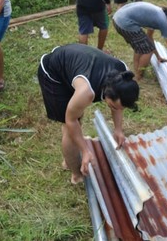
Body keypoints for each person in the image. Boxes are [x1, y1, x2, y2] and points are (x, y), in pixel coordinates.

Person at [37, 43, 139, 184]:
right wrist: (85, 150)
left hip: (74, 65)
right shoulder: (86, 92)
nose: (116, 109)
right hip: (53, 73)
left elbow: (118, 106)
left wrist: (118, 129)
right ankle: (76, 175)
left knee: (77, 117)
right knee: (70, 128)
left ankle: (69, 159)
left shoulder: (124, 75)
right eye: (113, 106)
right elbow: (70, 120)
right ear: (108, 94)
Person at [112, 1, 167, 81]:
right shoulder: (163, 21)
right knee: (148, 51)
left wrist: (158, 57)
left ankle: (136, 71)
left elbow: (149, 37)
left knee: (141, 45)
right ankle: (138, 76)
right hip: (124, 22)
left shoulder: (157, 13)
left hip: (117, 18)